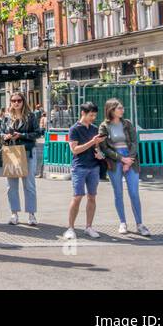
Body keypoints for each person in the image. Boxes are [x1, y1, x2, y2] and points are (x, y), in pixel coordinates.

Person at [98, 97, 149, 236]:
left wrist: (130, 160)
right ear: (111, 110)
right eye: (119, 108)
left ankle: (140, 224)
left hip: (130, 160)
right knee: (118, 193)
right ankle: (122, 223)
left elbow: (134, 142)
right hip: (115, 161)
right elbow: (105, 148)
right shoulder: (104, 126)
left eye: (122, 107)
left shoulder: (127, 123)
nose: (122, 110)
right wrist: (121, 159)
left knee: (134, 193)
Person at [0, 92, 40, 225]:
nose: (16, 103)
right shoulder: (6, 117)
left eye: (19, 100)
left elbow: (37, 133)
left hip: (27, 152)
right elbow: (1, 132)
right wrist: (5, 136)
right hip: (11, 152)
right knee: (11, 185)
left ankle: (31, 215)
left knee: (29, 184)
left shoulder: (31, 116)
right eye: (13, 100)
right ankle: (14, 213)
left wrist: (21, 135)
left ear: (23, 101)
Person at [65, 101, 105, 240]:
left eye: (94, 115)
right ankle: (70, 228)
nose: (93, 118)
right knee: (77, 196)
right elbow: (74, 150)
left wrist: (99, 153)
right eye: (91, 115)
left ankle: (89, 227)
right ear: (83, 113)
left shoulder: (94, 128)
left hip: (93, 166)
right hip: (79, 167)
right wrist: (92, 142)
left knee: (92, 196)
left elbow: (97, 147)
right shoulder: (74, 129)